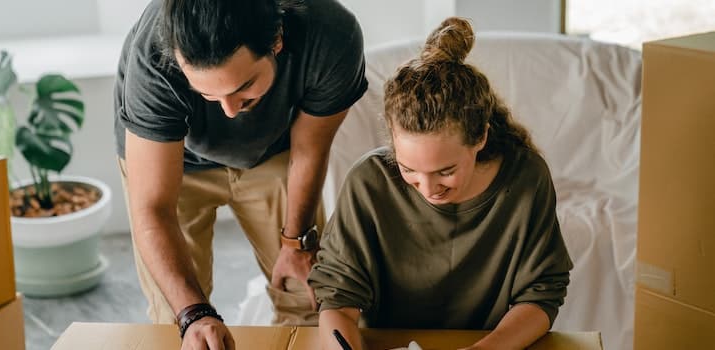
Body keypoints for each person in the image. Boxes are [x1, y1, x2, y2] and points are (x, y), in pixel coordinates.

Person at [113, 0, 367, 348]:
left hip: (275, 152)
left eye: (243, 87)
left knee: (305, 297)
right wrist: (194, 314)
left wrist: (294, 243)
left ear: (277, 41)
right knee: (177, 321)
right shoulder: (152, 58)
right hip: (172, 162)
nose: (230, 111)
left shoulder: (332, 34)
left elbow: (310, 150)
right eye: (206, 93)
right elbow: (153, 209)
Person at [308, 17, 573, 350]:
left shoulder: (525, 178)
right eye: (409, 170)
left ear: (480, 137)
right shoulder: (369, 182)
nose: (429, 189)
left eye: (446, 171)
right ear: (392, 139)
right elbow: (337, 298)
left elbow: (542, 294)